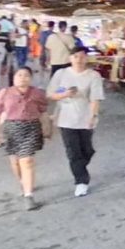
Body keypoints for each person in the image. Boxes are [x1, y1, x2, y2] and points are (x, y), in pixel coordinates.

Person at [48, 48, 104, 197]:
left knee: (87, 150)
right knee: (73, 152)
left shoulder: (93, 76)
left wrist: (93, 115)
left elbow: (95, 98)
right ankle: (81, 181)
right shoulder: (61, 74)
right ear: (70, 58)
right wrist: (64, 94)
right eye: (75, 56)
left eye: (82, 56)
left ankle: (79, 166)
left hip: (85, 117)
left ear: (86, 59)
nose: (79, 59)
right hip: (65, 119)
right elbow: (51, 94)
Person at [0, 66, 49, 210]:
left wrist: (47, 128)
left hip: (31, 127)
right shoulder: (5, 93)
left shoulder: (37, 93)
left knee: (27, 160)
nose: (23, 78)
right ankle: (23, 183)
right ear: (13, 78)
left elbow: (43, 112)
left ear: (31, 78)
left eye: (26, 75)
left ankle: (28, 196)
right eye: (19, 75)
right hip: (12, 129)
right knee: (15, 161)